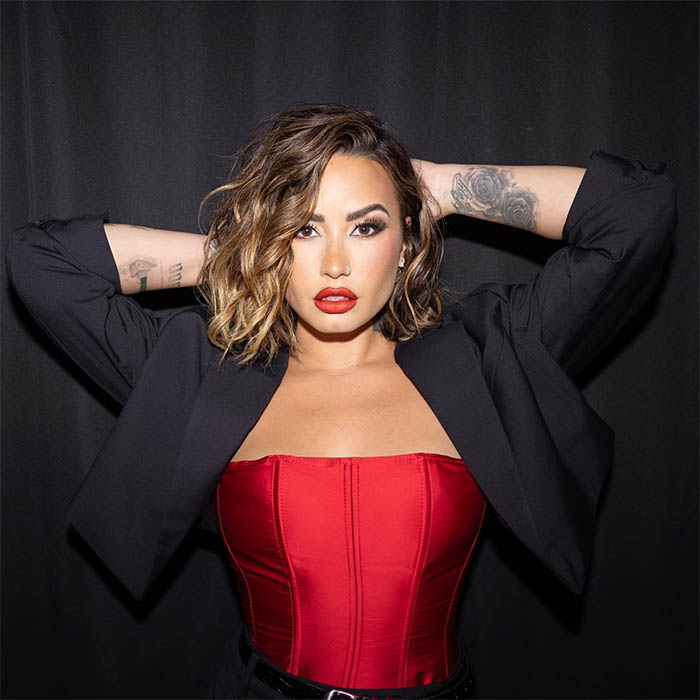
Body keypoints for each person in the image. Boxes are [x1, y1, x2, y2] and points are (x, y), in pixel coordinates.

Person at [5, 103, 677, 699]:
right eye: (303, 230)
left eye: (365, 227)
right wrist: (244, 254)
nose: (334, 263)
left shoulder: (486, 355)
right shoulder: (203, 375)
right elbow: (43, 262)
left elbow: (635, 212)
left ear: (407, 239)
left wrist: (437, 184)